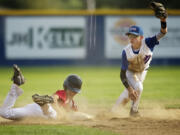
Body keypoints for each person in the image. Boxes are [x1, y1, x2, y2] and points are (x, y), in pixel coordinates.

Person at [112, 14, 167, 116]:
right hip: (130, 73)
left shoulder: (148, 43)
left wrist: (163, 20)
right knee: (138, 88)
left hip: (142, 73)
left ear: (141, 37)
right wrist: (129, 89)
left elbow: (163, 33)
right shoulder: (126, 51)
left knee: (122, 102)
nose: (131, 38)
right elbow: (122, 74)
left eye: (134, 36)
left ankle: (119, 109)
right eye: (130, 36)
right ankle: (134, 111)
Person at [0, 64, 91, 120]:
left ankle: (16, 84)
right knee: (55, 117)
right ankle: (45, 105)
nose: (73, 93)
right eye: (72, 90)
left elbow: (73, 115)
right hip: (45, 110)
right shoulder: (63, 93)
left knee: (5, 113)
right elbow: (54, 98)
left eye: (75, 91)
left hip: (34, 111)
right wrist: (60, 112)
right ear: (66, 87)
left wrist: (80, 114)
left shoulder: (72, 103)